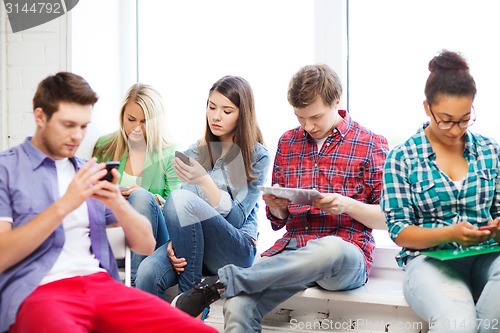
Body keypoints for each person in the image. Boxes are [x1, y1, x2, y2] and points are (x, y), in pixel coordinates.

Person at [170, 64, 390, 332]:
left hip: (345, 253)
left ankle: (222, 282)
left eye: (316, 117)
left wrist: (347, 205)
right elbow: (278, 223)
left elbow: (388, 218)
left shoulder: (370, 143)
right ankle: (227, 287)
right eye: (300, 118)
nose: (308, 126)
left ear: (336, 102)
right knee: (238, 306)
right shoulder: (288, 142)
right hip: (294, 252)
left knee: (331, 248)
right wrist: (277, 209)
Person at [0, 72, 217, 333]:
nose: (77, 136)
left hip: (101, 286)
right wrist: (65, 203)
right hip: (39, 289)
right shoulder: (7, 169)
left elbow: (146, 244)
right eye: (68, 125)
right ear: (40, 117)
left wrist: (117, 202)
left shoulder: (88, 170)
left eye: (83, 126)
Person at [381, 50, 500, 333]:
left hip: (487, 256)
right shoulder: (403, 157)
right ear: (427, 108)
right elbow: (399, 231)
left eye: (464, 119)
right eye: (446, 119)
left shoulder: (490, 150)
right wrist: (450, 233)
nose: (455, 129)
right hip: (431, 262)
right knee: (457, 324)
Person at [135, 75, 271, 302]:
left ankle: (190, 301)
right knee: (147, 272)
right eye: (211, 107)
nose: (216, 117)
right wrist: (174, 242)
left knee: (181, 199)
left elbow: (236, 220)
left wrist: (204, 181)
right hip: (194, 245)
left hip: (235, 249)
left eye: (227, 111)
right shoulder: (194, 153)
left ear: (243, 114)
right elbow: (181, 215)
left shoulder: (257, 156)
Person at [92, 83, 181, 285]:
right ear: (122, 115)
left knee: (140, 197)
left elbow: (177, 210)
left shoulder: (171, 154)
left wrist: (148, 198)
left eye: (145, 122)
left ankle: (133, 288)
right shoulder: (105, 147)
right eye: (131, 119)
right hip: (113, 233)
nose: (136, 128)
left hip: (151, 238)